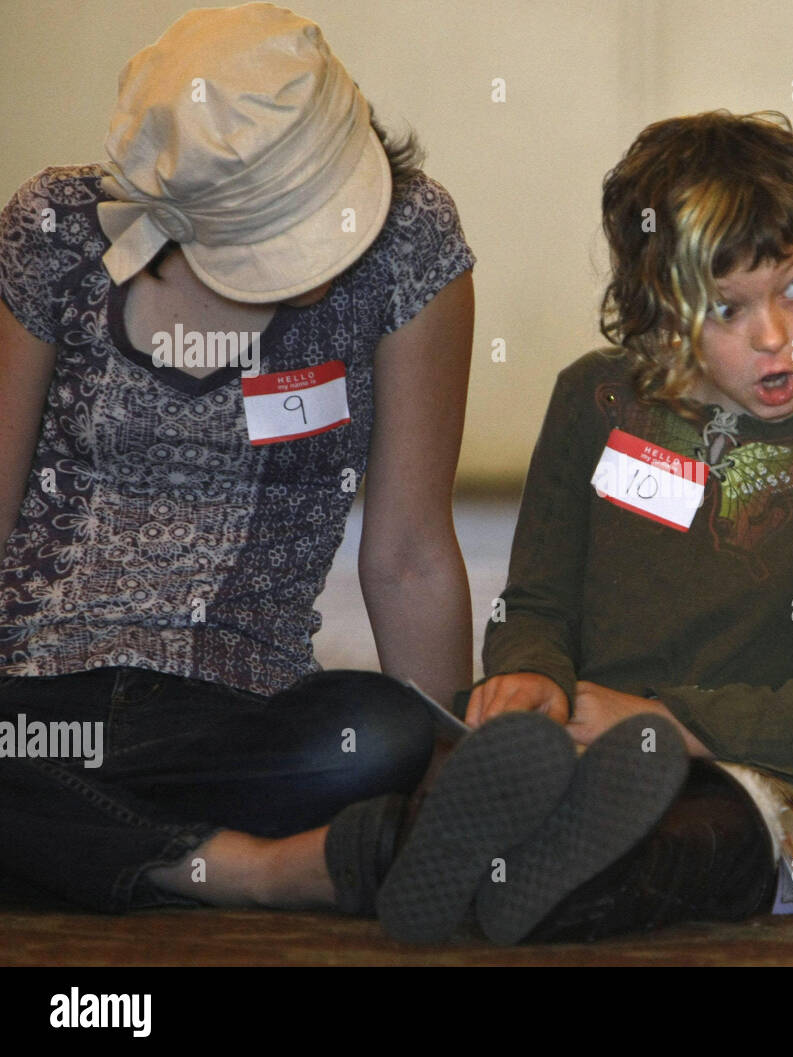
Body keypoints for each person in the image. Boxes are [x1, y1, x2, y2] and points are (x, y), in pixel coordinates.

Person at [0, 4, 477, 915]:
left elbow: (409, 552)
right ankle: (253, 867)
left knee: (384, 736)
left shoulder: (412, 247)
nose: (319, 262)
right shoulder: (52, 233)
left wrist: (453, 768)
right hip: (36, 703)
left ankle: (78, 839)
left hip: (240, 717)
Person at [440, 111, 793, 944]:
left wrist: (664, 719)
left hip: (750, 783)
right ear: (658, 305)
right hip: (573, 745)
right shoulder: (597, 400)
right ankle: (462, 851)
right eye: (727, 309)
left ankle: (521, 875)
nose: (778, 338)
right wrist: (529, 676)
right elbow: (533, 603)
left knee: (694, 844)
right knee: (405, 753)